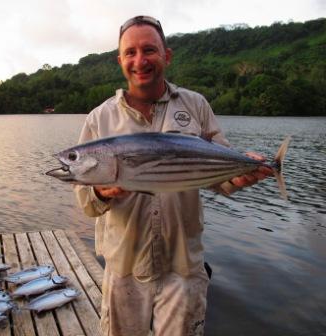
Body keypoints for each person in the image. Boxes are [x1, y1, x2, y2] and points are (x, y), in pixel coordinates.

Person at [74, 15, 272, 336]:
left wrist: (239, 175)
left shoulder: (195, 105)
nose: (140, 61)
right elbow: (86, 202)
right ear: (120, 60)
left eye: (149, 50)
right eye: (130, 52)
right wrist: (100, 193)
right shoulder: (100, 118)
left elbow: (219, 177)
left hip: (183, 267)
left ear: (167, 55)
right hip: (124, 267)